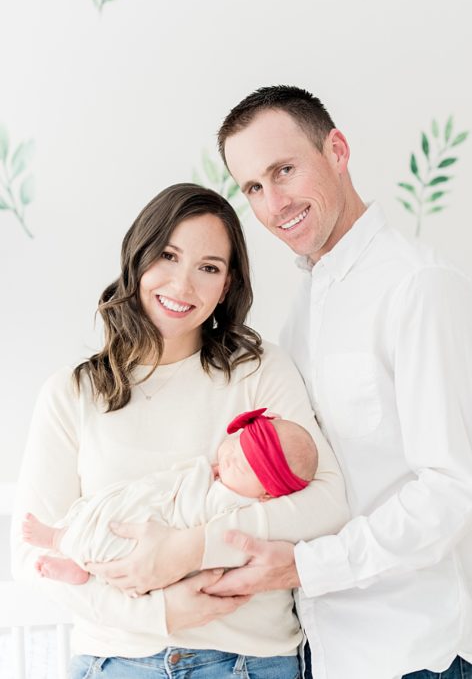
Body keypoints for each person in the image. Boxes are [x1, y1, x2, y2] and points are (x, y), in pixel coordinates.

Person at [85, 88, 472, 679]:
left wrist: (306, 566)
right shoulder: (305, 312)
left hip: (411, 650)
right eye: (253, 187)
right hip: (317, 649)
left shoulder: (422, 289)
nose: (274, 202)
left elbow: (453, 490)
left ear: (337, 150)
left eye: (284, 170)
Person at [11, 184, 349, 678]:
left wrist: (191, 549)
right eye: (168, 256)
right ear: (139, 255)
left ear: (228, 284)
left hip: (248, 662)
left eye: (208, 268)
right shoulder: (72, 392)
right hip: (116, 660)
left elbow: (328, 505)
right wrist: (158, 613)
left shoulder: (259, 370)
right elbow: (32, 552)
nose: (183, 286)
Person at [22, 408, 318, 586]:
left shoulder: (238, 506)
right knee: (100, 508)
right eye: (237, 445)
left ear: (266, 495)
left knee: (114, 535)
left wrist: (204, 475)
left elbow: (198, 516)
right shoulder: (226, 483)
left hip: (161, 531)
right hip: (147, 504)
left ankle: (61, 544)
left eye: (247, 465)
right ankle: (74, 551)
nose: (231, 458)